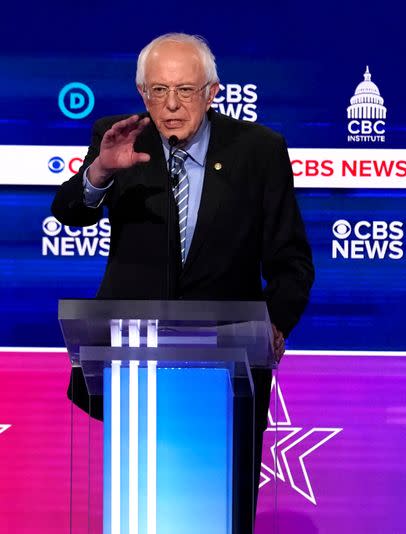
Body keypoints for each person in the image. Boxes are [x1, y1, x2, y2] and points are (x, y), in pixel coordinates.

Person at [51, 33, 314, 533]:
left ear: (212, 92)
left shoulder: (259, 151)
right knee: (145, 503)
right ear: (142, 94)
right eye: (157, 91)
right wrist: (101, 170)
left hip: (230, 370)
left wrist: (276, 326)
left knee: (224, 510)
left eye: (186, 91)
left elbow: (292, 260)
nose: (171, 105)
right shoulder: (120, 139)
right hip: (134, 368)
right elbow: (68, 212)